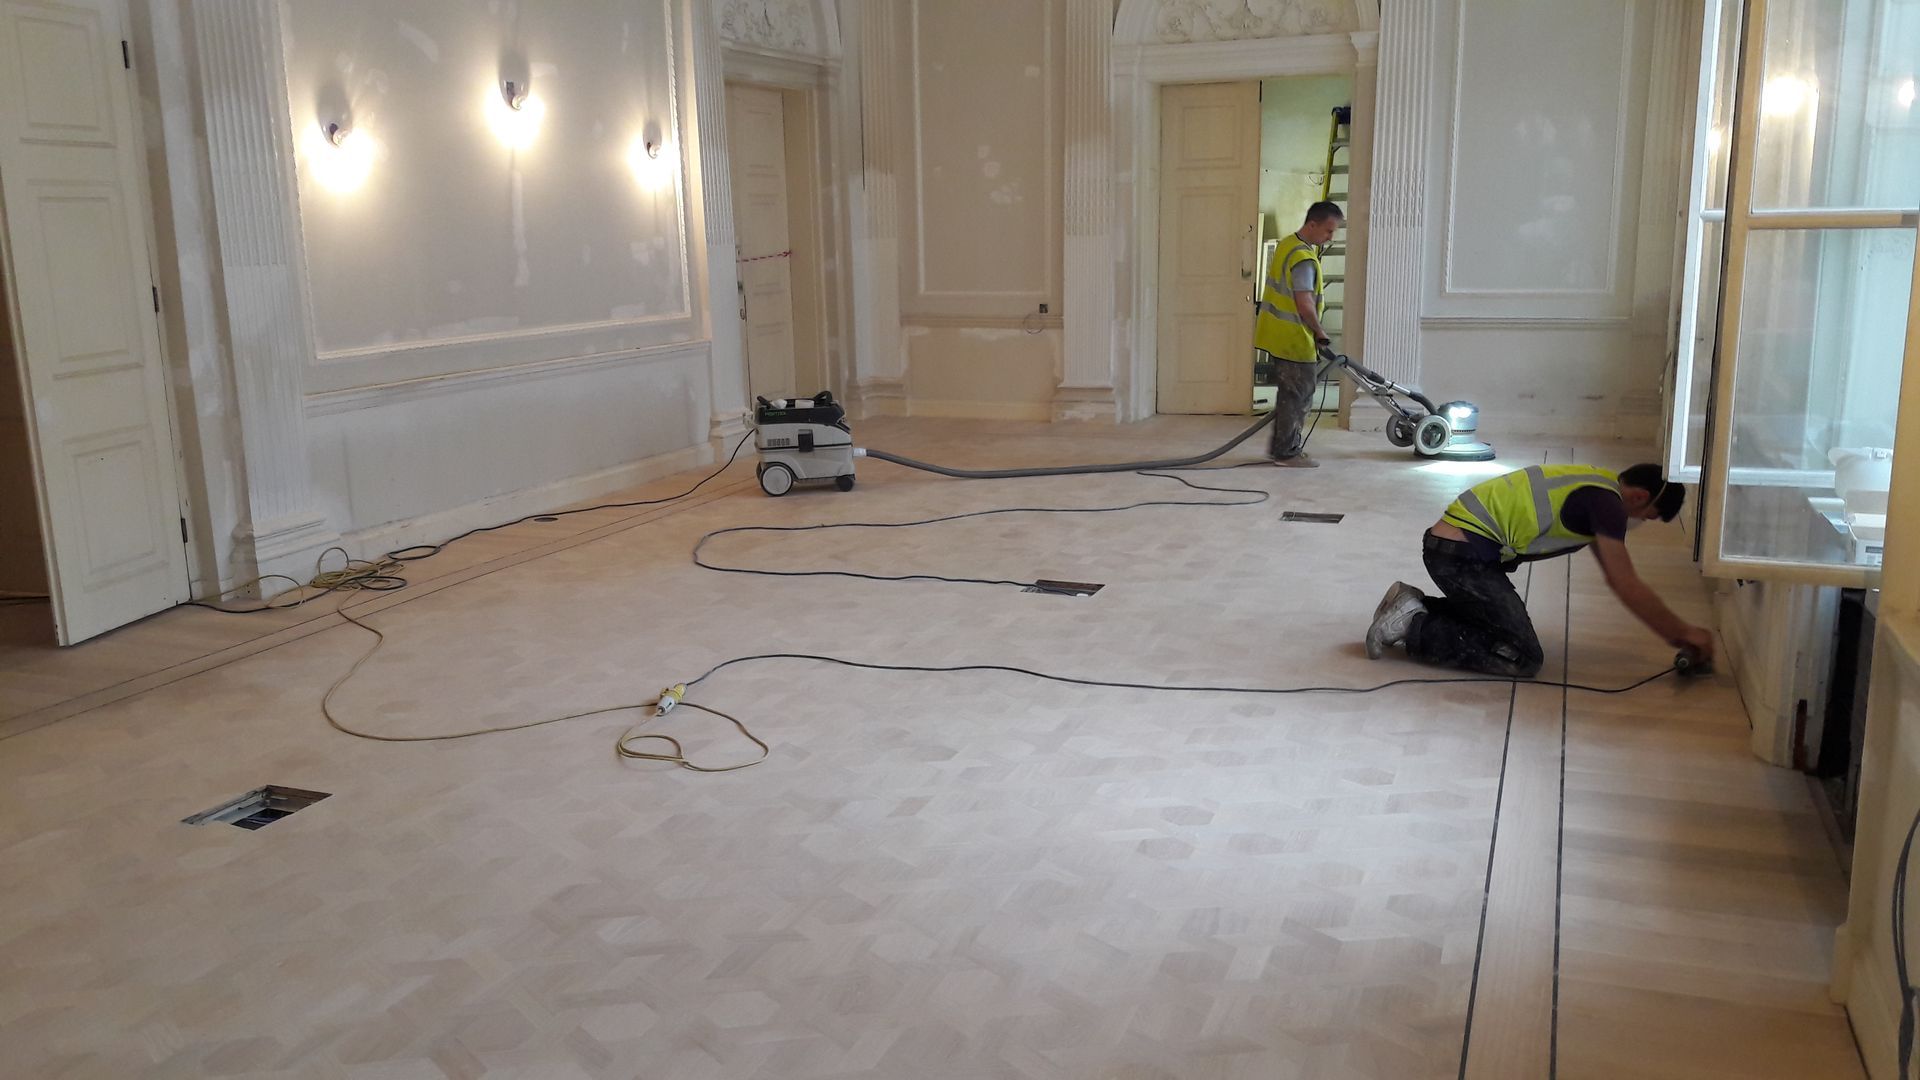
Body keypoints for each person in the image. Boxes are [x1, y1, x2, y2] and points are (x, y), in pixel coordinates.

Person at [1364, 463, 1715, 677]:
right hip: (1461, 557)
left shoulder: (1596, 483)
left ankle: (1412, 603)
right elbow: (1626, 584)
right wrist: (1685, 633)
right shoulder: (1607, 505)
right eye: (1646, 516)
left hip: (1455, 549)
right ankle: (1412, 625)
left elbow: (1615, 576)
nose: (1639, 523)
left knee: (1493, 623)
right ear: (1639, 497)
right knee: (1522, 657)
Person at [1254, 201, 1344, 468]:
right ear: (1312, 224)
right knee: (1298, 397)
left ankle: (1279, 449)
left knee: (1288, 395)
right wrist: (1319, 332)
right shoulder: (1302, 258)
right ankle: (1286, 453)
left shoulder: (1286, 244)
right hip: (1294, 338)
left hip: (1277, 334)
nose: (1330, 237)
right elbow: (1304, 303)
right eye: (1328, 231)